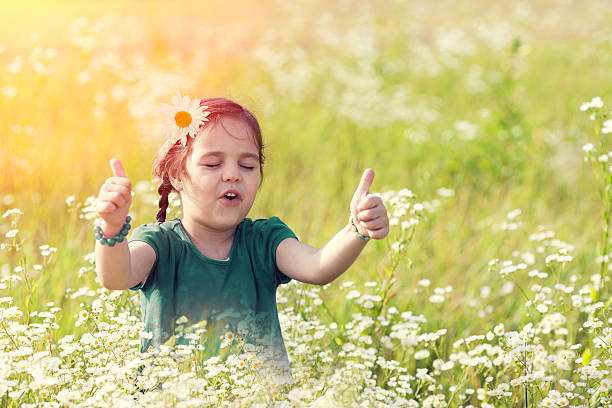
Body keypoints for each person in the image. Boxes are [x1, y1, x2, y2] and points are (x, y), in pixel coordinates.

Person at [94, 94, 390, 384]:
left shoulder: (264, 241)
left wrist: (356, 229)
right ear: (178, 175)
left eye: (247, 166)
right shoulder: (160, 244)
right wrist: (111, 227)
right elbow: (116, 276)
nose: (232, 175)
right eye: (213, 164)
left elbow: (318, 267)